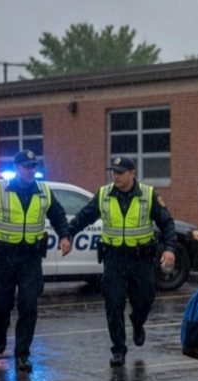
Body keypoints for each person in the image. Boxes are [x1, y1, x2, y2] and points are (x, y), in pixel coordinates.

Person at [0, 149, 72, 372]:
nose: (31, 171)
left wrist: (65, 236)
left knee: (29, 304)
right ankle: (0, 331)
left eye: (33, 167)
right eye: (26, 167)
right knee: (1, 304)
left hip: (30, 257)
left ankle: (22, 354)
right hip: (3, 256)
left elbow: (58, 215)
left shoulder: (44, 191)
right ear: (16, 168)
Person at [68, 156, 177, 367]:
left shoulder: (148, 195)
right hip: (114, 258)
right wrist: (67, 234)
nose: (115, 176)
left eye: (119, 172)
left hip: (141, 259)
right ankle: (118, 349)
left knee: (144, 299)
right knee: (114, 303)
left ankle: (138, 322)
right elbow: (84, 217)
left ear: (131, 173)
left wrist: (170, 248)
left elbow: (167, 223)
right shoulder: (104, 194)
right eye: (113, 172)